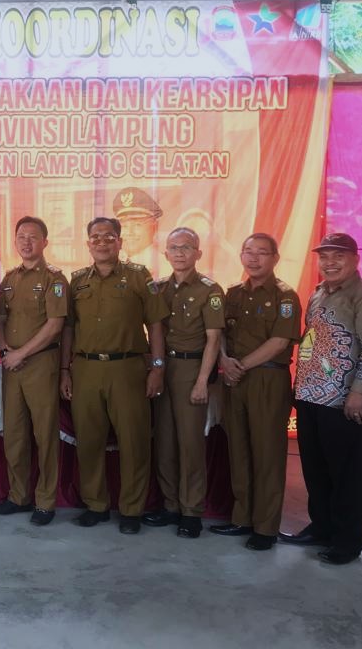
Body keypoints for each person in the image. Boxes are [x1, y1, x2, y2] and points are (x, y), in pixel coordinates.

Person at [281, 233, 362, 565]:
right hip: (312, 398)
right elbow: (313, 342)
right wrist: (300, 388)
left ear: (355, 259)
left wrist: (358, 392)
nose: (329, 263)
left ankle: (346, 542)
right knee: (317, 470)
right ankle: (322, 527)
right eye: (324, 256)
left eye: (338, 256)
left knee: (350, 475)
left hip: (349, 403)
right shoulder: (318, 295)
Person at [60, 217, 168, 534]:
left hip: (128, 369)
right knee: (89, 441)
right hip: (86, 370)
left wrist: (158, 368)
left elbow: (156, 324)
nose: (102, 242)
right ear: (88, 243)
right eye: (95, 237)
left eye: (109, 237)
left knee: (133, 441)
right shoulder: (77, 280)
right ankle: (96, 504)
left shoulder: (139, 277)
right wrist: (65, 369)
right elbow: (69, 328)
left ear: (120, 242)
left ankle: (132, 509)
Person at [212, 233, 301, 551]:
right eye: (248, 252)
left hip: (267, 380)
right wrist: (224, 360)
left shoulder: (285, 296)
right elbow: (220, 333)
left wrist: (240, 365)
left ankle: (265, 527)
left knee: (267, 455)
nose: (253, 258)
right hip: (235, 380)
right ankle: (242, 518)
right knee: (239, 450)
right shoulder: (233, 293)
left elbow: (279, 342)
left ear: (275, 258)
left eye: (261, 253)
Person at [142, 227, 224, 539]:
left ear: (198, 253)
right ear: (165, 253)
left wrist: (203, 380)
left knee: (190, 443)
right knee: (164, 441)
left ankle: (191, 511)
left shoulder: (210, 290)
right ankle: (171, 505)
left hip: (192, 367)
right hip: (165, 367)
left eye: (186, 247)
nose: (179, 253)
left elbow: (214, 339)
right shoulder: (158, 288)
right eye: (174, 248)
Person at [0, 216, 68, 526]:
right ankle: (18, 495)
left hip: (40, 364)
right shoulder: (9, 278)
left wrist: (21, 352)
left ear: (45, 242)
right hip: (12, 365)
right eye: (20, 236)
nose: (26, 242)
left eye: (32, 237)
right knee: (15, 434)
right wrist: (6, 349)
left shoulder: (54, 279)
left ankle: (45, 501)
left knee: (44, 434)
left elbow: (55, 325)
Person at [113, 186, 163, 276]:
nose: (129, 232)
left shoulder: (165, 268)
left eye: (137, 225)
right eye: (124, 226)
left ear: (154, 227)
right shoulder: (112, 265)